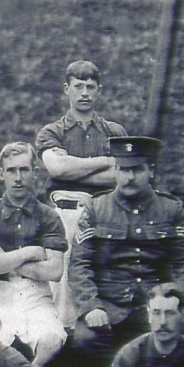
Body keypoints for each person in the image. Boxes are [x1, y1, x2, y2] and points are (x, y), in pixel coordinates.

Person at [64, 136, 184, 367]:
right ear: (115, 170)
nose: (129, 177)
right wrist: (91, 307)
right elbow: (80, 263)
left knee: (178, 336)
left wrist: (176, 296)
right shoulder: (96, 209)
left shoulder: (171, 209)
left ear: (150, 170)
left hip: (155, 301)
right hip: (109, 303)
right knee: (86, 339)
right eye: (123, 169)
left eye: (136, 169)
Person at [35, 60, 127, 327]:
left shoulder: (114, 132)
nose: (85, 93)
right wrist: (106, 161)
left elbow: (120, 175)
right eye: (78, 86)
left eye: (90, 87)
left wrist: (73, 167)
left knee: (97, 279)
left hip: (103, 214)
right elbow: (57, 168)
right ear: (67, 89)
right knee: (60, 284)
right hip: (65, 215)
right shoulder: (53, 131)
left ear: (99, 91)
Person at [0, 141, 68, 367]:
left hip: (36, 295)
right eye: (11, 170)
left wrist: (2, 259)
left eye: (24, 170)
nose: (18, 177)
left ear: (35, 172)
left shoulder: (49, 217)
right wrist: (30, 253)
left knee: (52, 340)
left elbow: (54, 271)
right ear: (0, 174)